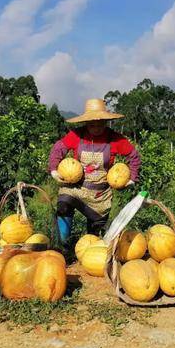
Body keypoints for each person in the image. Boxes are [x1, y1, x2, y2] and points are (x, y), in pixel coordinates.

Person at [48, 98, 141, 244]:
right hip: (76, 188)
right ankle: (64, 246)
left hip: (100, 195)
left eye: (100, 123)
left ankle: (89, 249)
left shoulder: (114, 139)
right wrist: (54, 169)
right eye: (92, 124)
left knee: (94, 235)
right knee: (63, 204)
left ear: (106, 121)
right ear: (86, 122)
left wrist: (132, 178)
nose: (96, 127)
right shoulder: (77, 135)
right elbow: (58, 149)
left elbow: (133, 156)